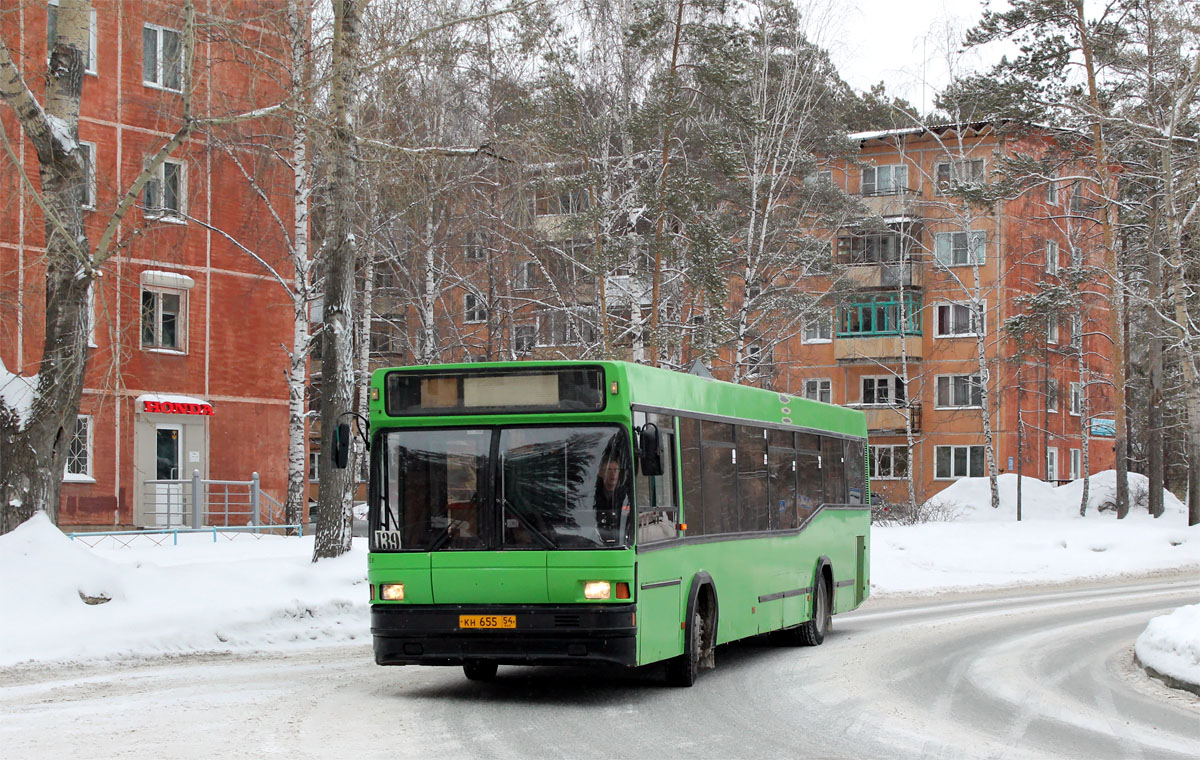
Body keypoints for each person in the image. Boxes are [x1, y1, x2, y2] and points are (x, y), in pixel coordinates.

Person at [594, 455, 631, 544]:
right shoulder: (592, 495)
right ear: (600, 473)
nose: (613, 473)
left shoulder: (627, 495)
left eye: (616, 470)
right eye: (609, 470)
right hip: (595, 540)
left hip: (622, 541)